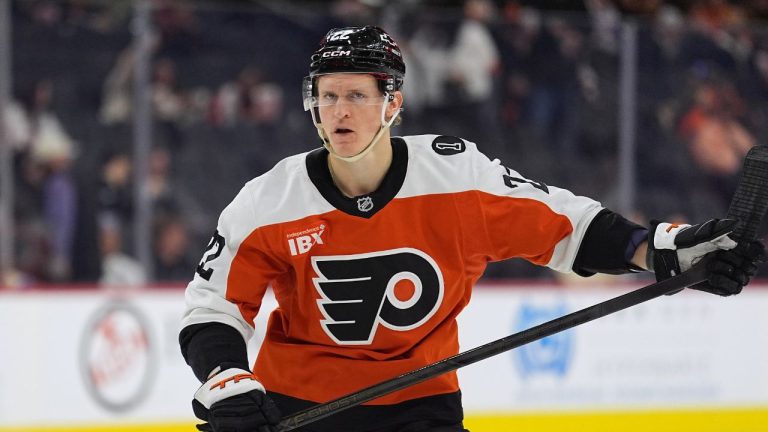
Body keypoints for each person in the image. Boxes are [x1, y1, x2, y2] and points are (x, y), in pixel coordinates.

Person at [179, 26, 765, 432]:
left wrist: (659, 250)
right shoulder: (269, 199)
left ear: (393, 104)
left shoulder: (455, 175)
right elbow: (212, 307)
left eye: (357, 95)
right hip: (299, 405)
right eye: (328, 96)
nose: (340, 111)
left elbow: (566, 227)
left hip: (420, 406)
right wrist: (226, 374)